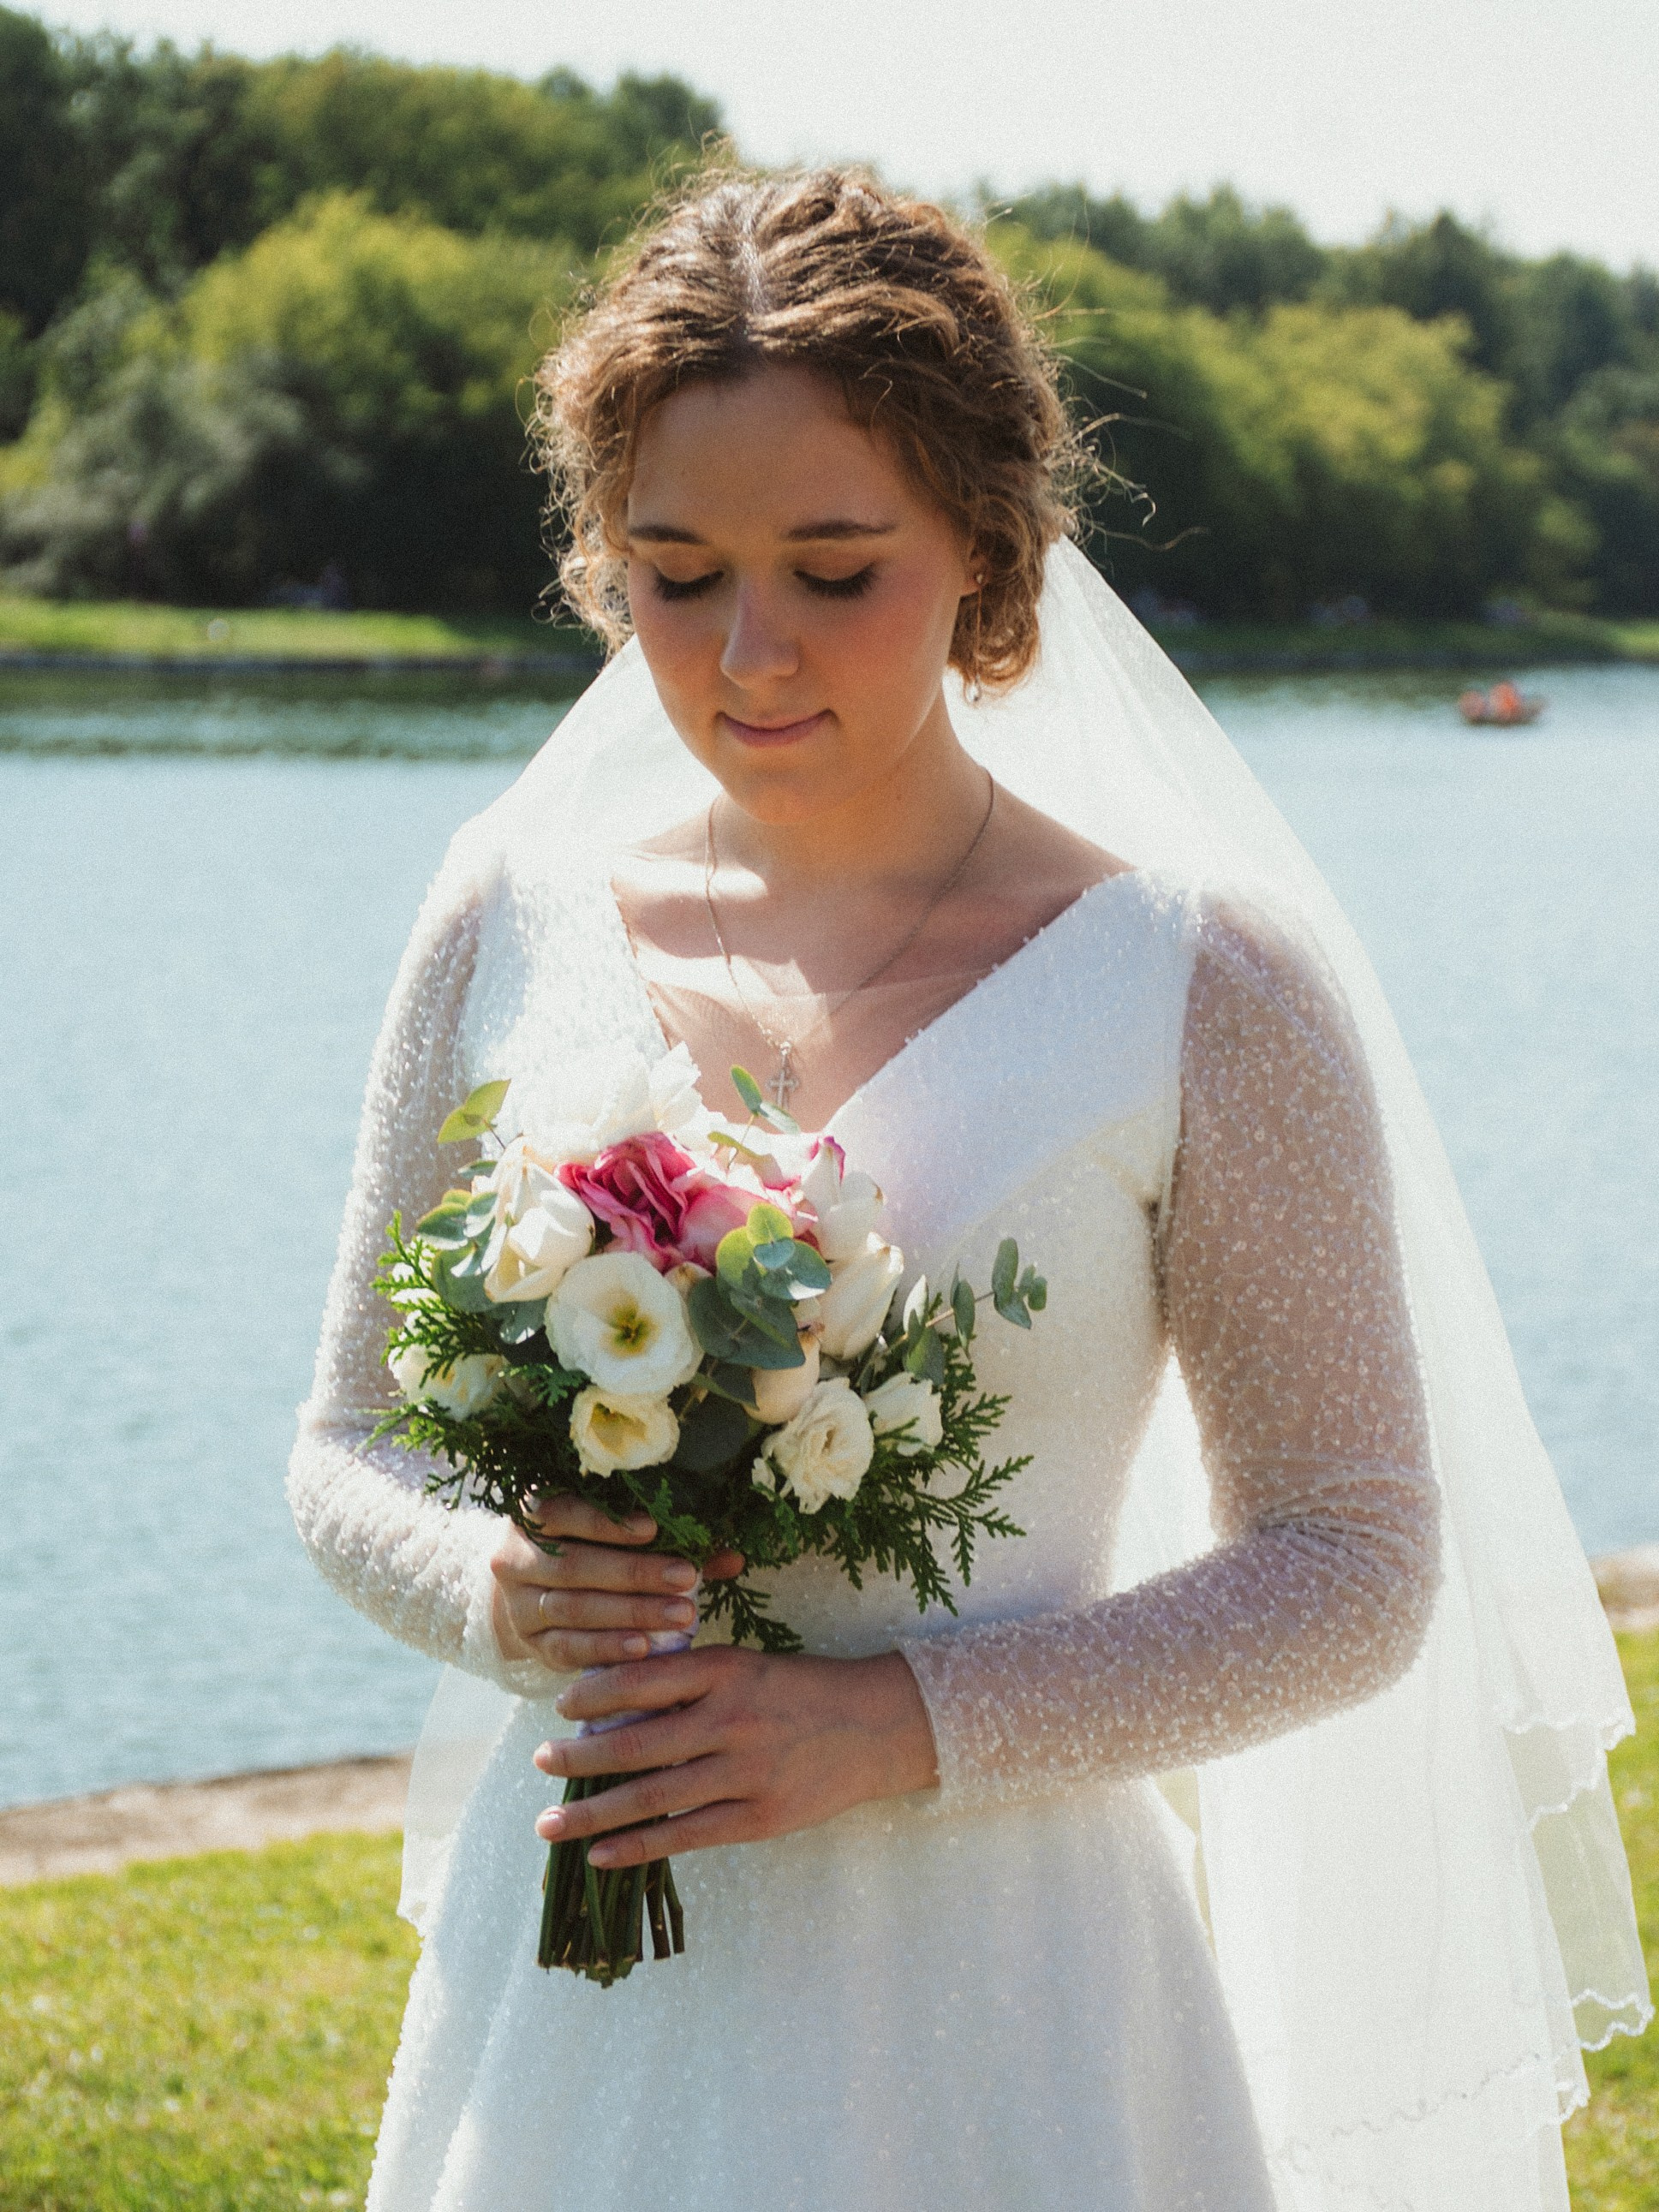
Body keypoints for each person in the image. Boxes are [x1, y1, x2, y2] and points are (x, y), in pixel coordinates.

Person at [289, 170, 1646, 2212]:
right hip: (579, 1984)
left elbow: (1353, 1557)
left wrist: (896, 1724)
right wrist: (497, 1587)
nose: (748, 653)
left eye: (837, 570)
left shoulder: (1203, 981)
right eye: (676, 571)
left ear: (990, 557)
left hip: (1010, 2003)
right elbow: (347, 1445)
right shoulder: (508, 912)